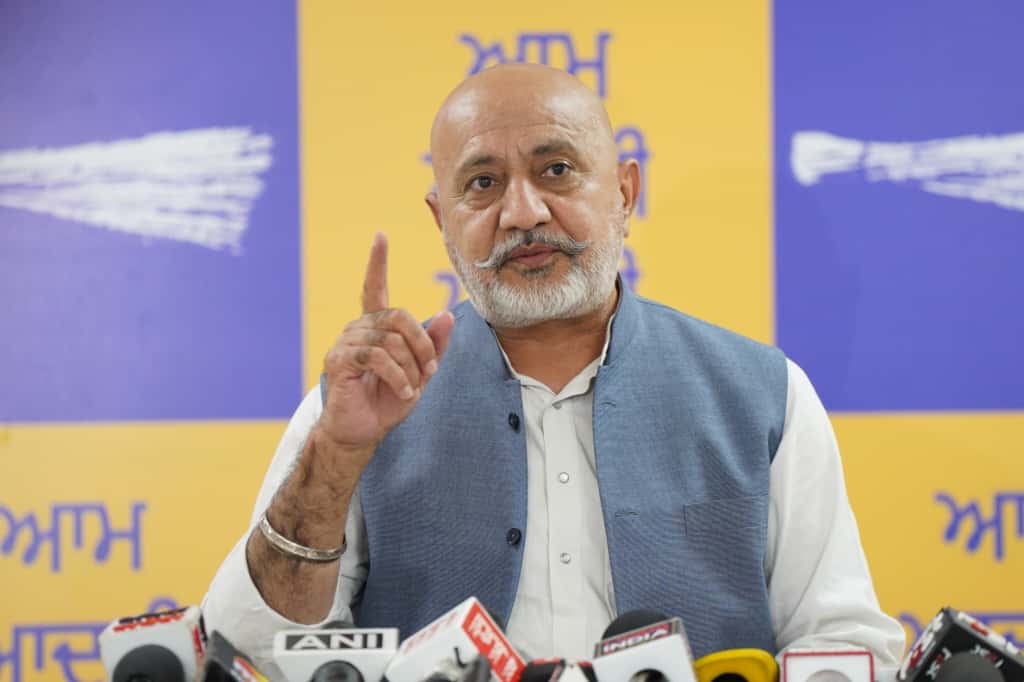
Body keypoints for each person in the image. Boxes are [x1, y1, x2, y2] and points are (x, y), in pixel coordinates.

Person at [203, 63, 905, 677]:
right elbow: (251, 644)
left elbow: (843, 641)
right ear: (441, 219)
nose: (523, 212)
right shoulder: (368, 399)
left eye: (557, 170)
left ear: (625, 192)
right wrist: (336, 455)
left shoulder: (763, 393)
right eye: (482, 183)